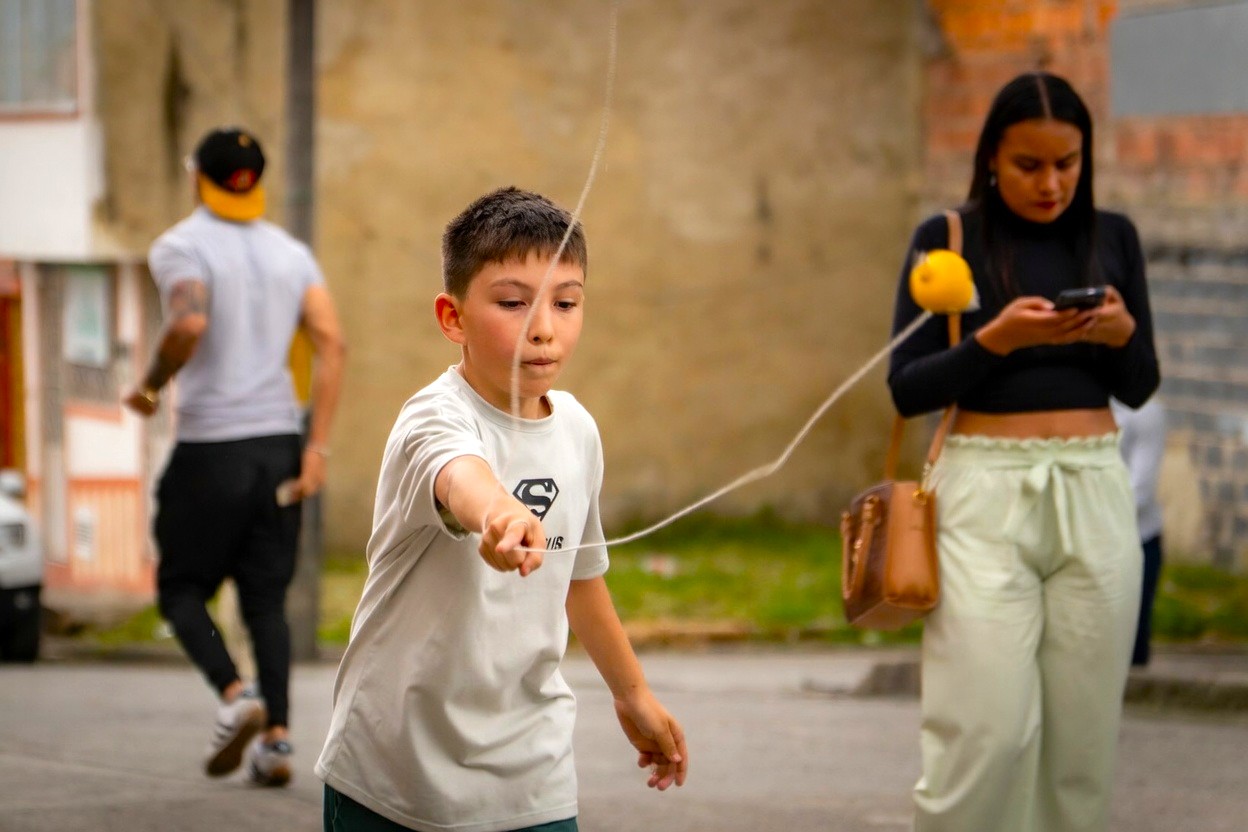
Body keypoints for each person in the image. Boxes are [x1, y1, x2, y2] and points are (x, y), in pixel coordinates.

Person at [315, 186, 687, 832]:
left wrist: (634, 695)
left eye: (567, 302)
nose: (545, 326)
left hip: (531, 773)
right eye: (514, 303)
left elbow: (581, 579)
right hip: (396, 775)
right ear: (453, 317)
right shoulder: (431, 419)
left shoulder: (576, 429)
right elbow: (461, 476)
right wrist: (499, 516)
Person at [888, 72, 1159, 832]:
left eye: (1067, 163)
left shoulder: (1114, 238)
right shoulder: (947, 239)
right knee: (986, 733)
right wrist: (996, 340)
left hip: (1095, 489)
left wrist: (1121, 336)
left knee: (1081, 747)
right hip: (982, 490)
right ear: (991, 161)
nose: (1051, 183)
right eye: (1029, 165)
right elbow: (906, 389)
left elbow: (1140, 387)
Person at [124, 126, 346, 786]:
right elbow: (332, 343)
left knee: (181, 590)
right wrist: (317, 448)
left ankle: (234, 694)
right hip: (279, 447)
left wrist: (149, 386)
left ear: (198, 176)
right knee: (265, 601)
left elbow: (188, 323)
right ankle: (276, 741)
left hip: (211, 449)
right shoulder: (291, 253)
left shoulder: (181, 245)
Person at [1111, 397, 1167, 667]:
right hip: (1085, 537)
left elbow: (1140, 490)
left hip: (1137, 539)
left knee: (1130, 643)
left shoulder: (1144, 411)